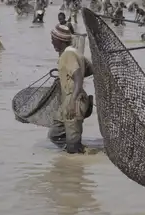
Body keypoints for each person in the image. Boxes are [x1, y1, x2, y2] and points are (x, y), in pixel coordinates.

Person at [48, 24, 94, 154]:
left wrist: (73, 101)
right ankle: (79, 152)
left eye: (53, 39)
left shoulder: (67, 55)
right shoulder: (76, 53)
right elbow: (90, 69)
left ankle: (80, 157)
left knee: (73, 145)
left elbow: (78, 76)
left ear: (60, 40)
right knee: (55, 134)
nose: (51, 42)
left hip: (73, 99)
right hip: (71, 98)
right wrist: (65, 76)